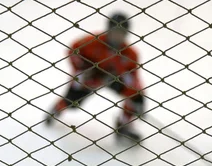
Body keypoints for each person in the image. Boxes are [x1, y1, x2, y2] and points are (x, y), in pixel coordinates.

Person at [45, 13, 144, 142]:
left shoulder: (130, 54)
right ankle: (57, 108)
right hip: (89, 78)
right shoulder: (92, 42)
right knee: (73, 102)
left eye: (122, 32)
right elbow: (73, 51)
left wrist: (138, 102)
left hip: (112, 80)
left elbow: (133, 78)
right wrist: (82, 68)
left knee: (136, 96)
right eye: (115, 31)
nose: (118, 36)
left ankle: (124, 124)